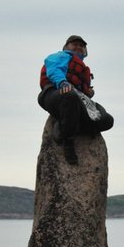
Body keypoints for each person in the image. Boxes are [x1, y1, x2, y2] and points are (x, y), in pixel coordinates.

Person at [37, 35, 114, 164]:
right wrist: (62, 83)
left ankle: (68, 126)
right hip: (53, 93)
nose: (78, 47)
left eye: (81, 45)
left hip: (76, 98)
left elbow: (82, 90)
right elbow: (54, 70)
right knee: (70, 96)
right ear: (66, 47)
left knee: (107, 119)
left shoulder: (83, 67)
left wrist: (88, 92)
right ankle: (67, 139)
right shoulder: (59, 57)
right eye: (75, 44)